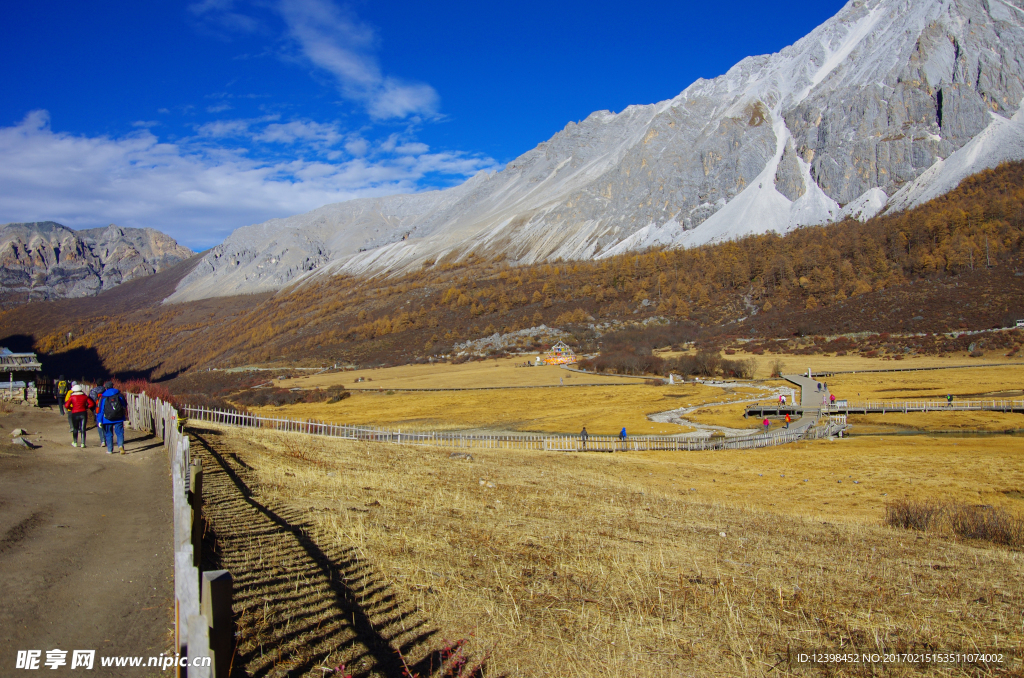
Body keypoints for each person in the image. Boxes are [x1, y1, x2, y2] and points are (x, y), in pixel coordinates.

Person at [96, 381, 128, 455]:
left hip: (107, 418)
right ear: (113, 386)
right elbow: (124, 405)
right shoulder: (119, 395)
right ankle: (120, 446)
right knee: (119, 433)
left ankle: (110, 450)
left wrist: (99, 420)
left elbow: (101, 409)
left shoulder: (104, 396)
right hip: (119, 417)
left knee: (108, 434)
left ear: (106, 387)